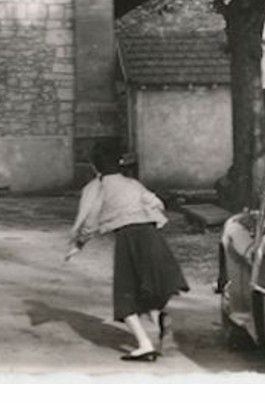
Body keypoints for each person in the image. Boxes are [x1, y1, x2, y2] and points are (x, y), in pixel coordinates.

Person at [65, 140, 189, 361]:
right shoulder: (133, 184)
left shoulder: (99, 187)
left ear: (95, 166)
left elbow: (91, 220)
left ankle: (145, 344)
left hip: (129, 238)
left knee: (125, 294)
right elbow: (156, 203)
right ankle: (159, 319)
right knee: (150, 285)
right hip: (152, 236)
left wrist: (78, 243)